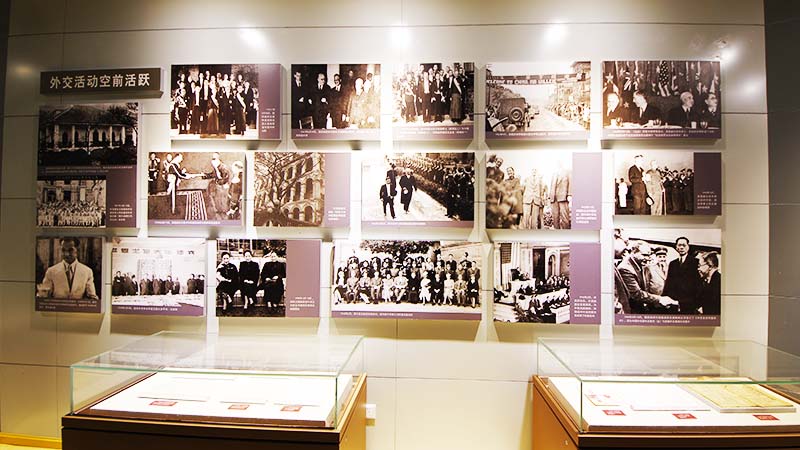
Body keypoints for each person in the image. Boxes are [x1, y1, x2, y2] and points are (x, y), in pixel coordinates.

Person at [617, 241, 678, 314]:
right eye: (644, 255)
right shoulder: (626, 269)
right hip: (632, 310)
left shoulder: (638, 264)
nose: (648, 258)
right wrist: (660, 299)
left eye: (649, 255)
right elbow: (636, 294)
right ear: (633, 252)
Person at [662, 237, 702, 314]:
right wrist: (664, 298)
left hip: (688, 303)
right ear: (676, 247)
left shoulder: (695, 262)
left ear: (688, 247)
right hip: (673, 302)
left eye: (684, 245)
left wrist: (697, 303)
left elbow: (698, 284)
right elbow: (668, 282)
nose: (681, 247)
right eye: (679, 245)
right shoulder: (672, 263)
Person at [549, 160, 571, 229]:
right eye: (556, 163)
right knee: (555, 217)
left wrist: (569, 194)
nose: (558, 164)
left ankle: (566, 233)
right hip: (553, 198)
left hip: (563, 197)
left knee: (565, 217)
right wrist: (550, 197)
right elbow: (552, 185)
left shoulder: (567, 172)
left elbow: (570, 183)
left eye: (559, 163)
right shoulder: (554, 173)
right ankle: (557, 234)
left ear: (562, 164)